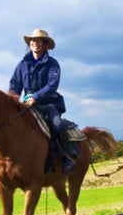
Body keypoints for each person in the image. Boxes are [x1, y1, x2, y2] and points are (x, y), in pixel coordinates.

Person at [8, 28, 76, 174]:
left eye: (39, 41)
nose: (35, 43)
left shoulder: (53, 64)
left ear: (45, 45)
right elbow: (15, 84)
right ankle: (5, 161)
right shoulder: (22, 64)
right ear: (29, 43)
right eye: (33, 40)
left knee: (57, 125)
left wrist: (35, 97)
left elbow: (52, 85)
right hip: (28, 105)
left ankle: (67, 158)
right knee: (9, 124)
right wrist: (13, 99)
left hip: (49, 104)